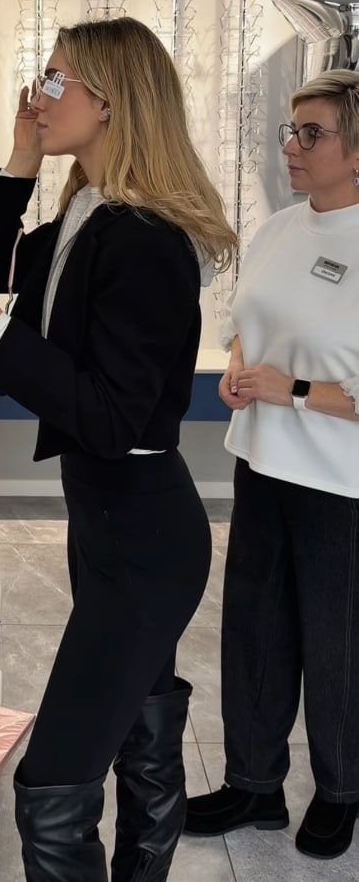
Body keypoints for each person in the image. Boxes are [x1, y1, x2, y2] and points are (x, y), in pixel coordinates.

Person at [0, 16, 237, 882]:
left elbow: (109, 420)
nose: (39, 93)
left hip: (144, 540)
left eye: (57, 79)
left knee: (51, 783)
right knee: (141, 725)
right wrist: (21, 159)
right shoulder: (89, 213)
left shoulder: (148, 239)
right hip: (107, 526)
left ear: (109, 101)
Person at [184, 68, 359, 861]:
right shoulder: (278, 228)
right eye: (292, 131)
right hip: (261, 463)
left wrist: (287, 389)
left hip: (341, 484)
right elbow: (243, 322)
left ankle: (340, 790)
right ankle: (253, 785)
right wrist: (237, 365)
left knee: (336, 644)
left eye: (311, 133)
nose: (291, 145)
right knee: (254, 631)